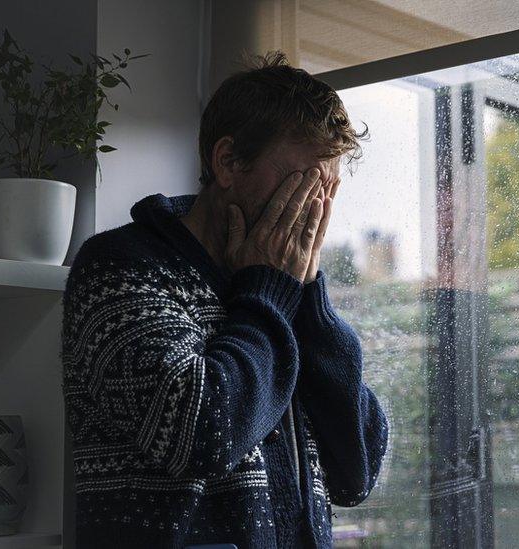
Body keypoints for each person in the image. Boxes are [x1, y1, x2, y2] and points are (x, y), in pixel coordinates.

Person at [61, 51, 388, 549]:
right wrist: (268, 296)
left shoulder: (279, 290)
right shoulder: (120, 267)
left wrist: (309, 302)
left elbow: (356, 472)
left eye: (327, 191)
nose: (313, 211)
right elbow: (203, 433)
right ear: (228, 161)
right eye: (299, 185)